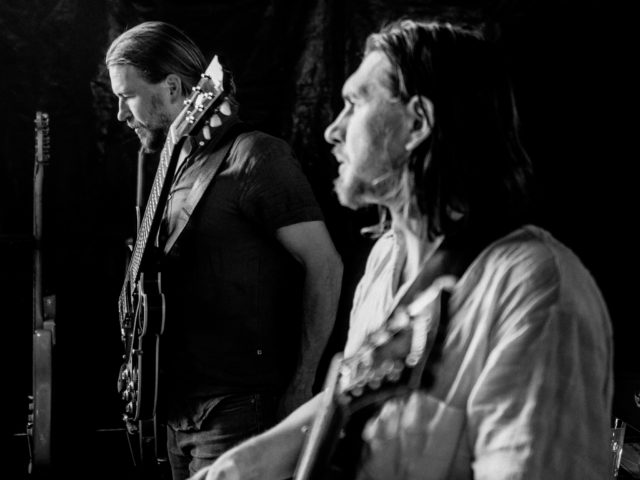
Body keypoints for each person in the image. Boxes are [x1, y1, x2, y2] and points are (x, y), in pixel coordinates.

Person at [188, 18, 614, 480]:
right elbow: (352, 399)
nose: (332, 130)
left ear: (416, 123)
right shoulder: (386, 258)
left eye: (354, 103)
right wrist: (235, 467)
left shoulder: (536, 289)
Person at [106, 21, 343, 480]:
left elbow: (325, 266)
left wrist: (303, 383)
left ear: (172, 88)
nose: (119, 114)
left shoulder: (256, 156)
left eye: (127, 96)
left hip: (237, 413)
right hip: (177, 414)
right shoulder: (176, 167)